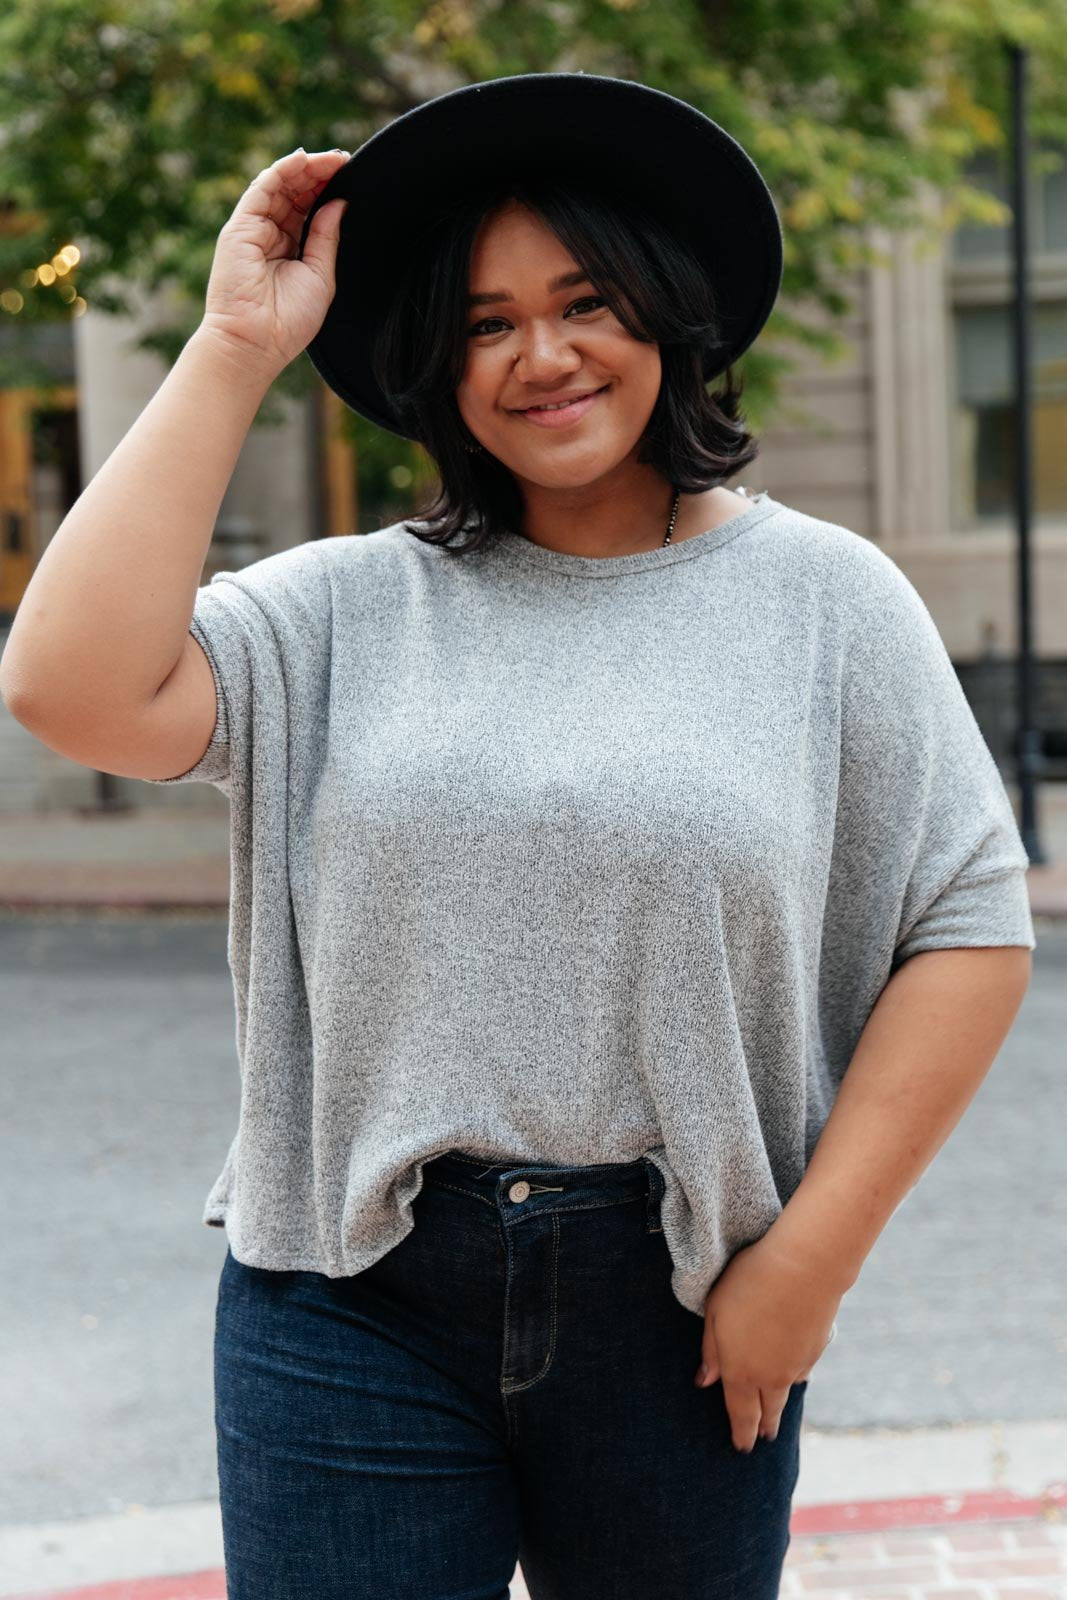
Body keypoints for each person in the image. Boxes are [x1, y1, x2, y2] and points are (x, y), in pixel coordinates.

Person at [1, 72, 1034, 1600]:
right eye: (485, 323)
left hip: (684, 1301)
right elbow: (64, 687)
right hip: (352, 1289)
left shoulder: (827, 602)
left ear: (668, 318)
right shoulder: (344, 606)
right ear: (440, 361)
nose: (541, 357)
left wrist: (809, 1264)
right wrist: (232, 348)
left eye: (586, 301)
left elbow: (968, 925)